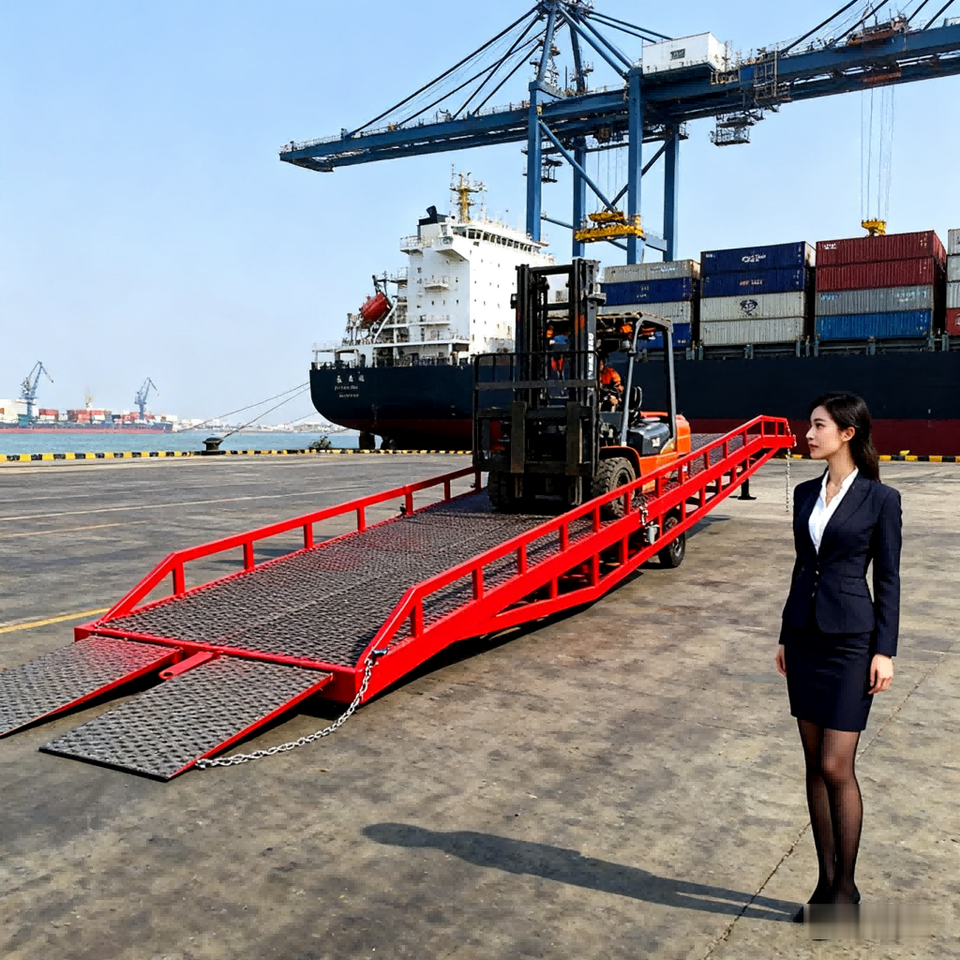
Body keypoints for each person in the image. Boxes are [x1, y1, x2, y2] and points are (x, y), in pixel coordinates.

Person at [775, 393, 901, 922]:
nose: (808, 434)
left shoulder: (880, 498)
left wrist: (885, 650)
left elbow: (888, 578)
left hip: (851, 642)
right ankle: (825, 886)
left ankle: (846, 892)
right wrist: (786, 635)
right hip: (806, 639)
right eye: (809, 425)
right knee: (812, 765)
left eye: (818, 425)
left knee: (834, 764)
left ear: (848, 433)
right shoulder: (805, 492)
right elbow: (802, 568)